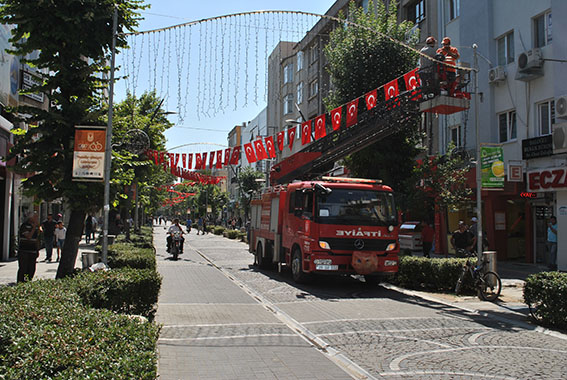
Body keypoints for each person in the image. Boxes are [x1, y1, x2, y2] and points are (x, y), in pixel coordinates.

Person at [17, 213, 40, 283]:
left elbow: (36, 239)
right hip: (24, 250)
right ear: (30, 218)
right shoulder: (24, 226)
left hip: (33, 251)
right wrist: (34, 228)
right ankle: (20, 282)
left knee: (31, 268)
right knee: (23, 268)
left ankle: (28, 281)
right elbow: (28, 237)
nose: (37, 218)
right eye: (35, 217)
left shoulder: (35, 227)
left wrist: (37, 250)